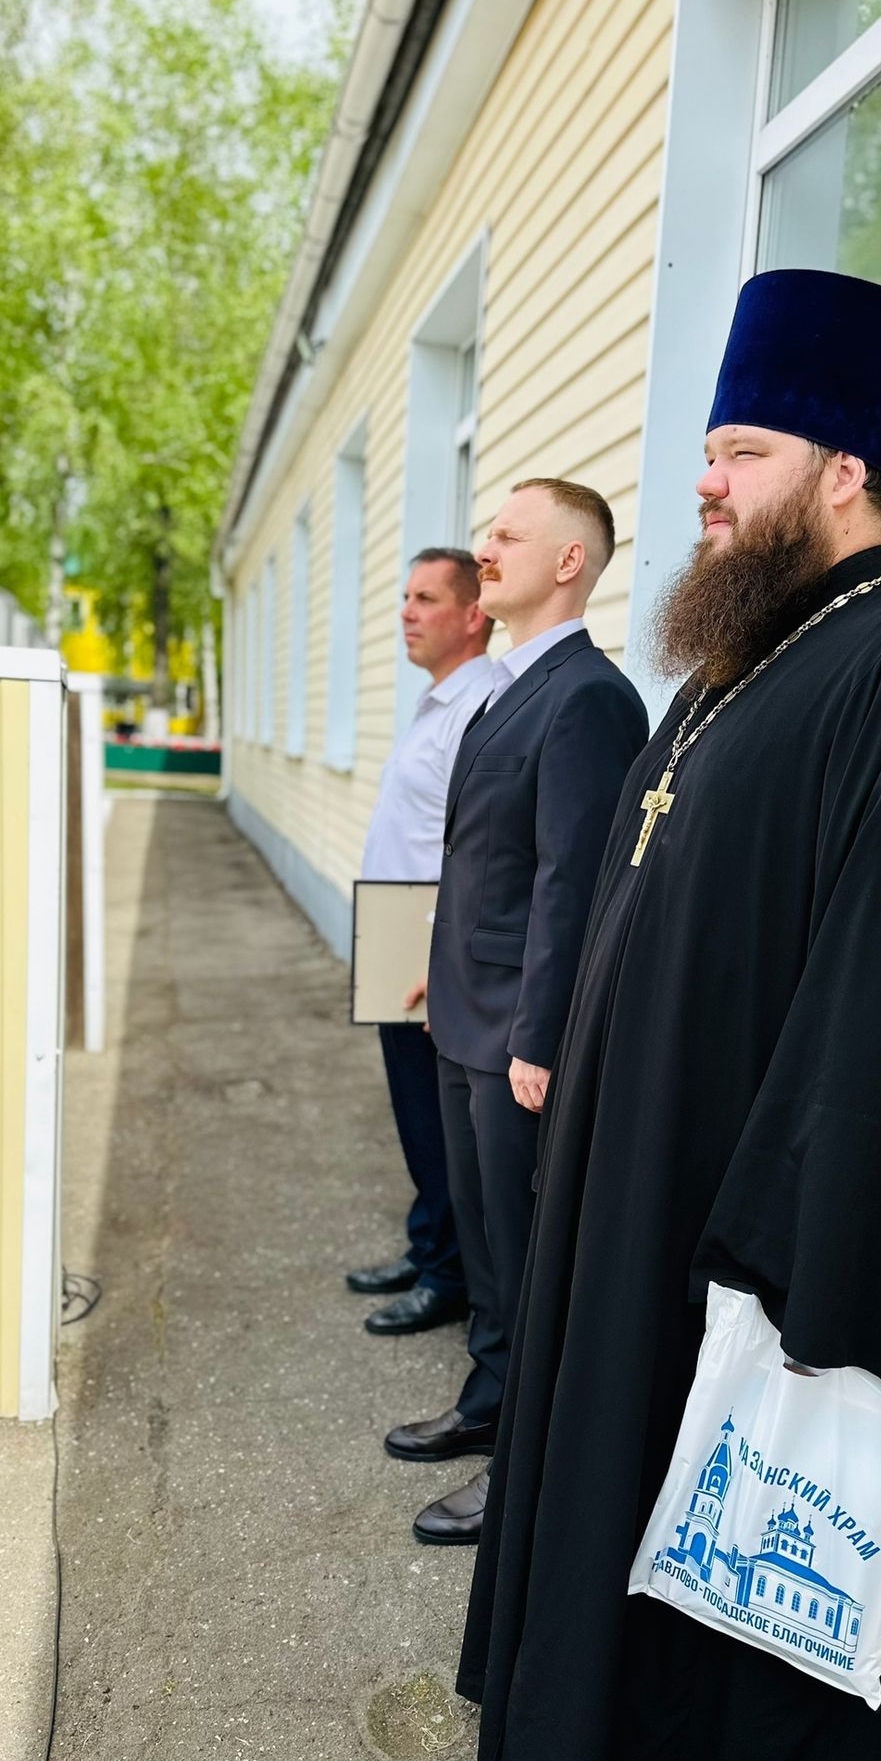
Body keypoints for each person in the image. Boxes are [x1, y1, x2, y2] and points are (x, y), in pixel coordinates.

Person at [457, 270, 881, 1761]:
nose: (704, 482)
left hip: (739, 1219)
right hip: (629, 1181)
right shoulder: (730, 664)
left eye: (742, 451)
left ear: (844, 472)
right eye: (709, 450)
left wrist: (775, 1244)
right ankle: (589, 1750)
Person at [384, 479, 648, 1546]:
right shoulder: (505, 686)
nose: (484, 549)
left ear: (570, 562)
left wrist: (540, 1037)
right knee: (487, 1242)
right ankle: (488, 1398)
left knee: (532, 1258)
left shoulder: (587, 697)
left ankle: (524, 1474)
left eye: (507, 535)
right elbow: (482, 860)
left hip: (516, 1037)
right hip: (465, 1012)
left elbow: (568, 882)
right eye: (487, 533)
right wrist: (437, 972)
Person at [346, 549, 496, 1338]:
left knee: (439, 1120)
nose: (406, 611)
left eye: (426, 598)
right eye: (405, 596)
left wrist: (445, 960)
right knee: (412, 1108)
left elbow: (478, 851)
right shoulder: (438, 702)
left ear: (474, 614)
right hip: (395, 929)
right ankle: (427, 1244)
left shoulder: (479, 706)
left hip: (427, 939)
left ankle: (448, 1278)